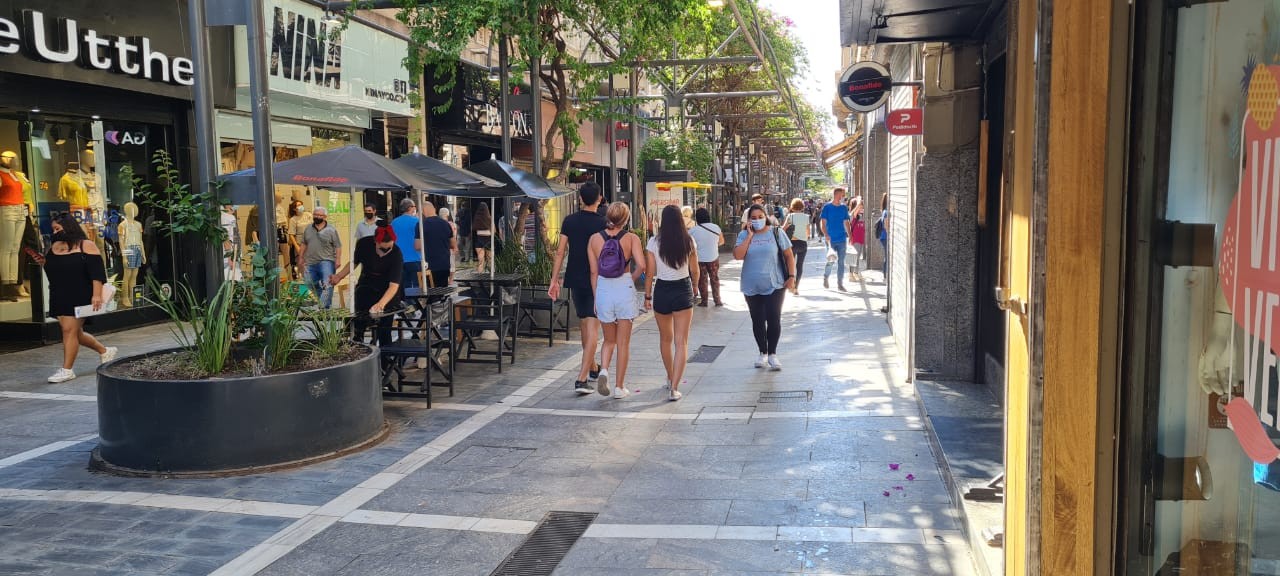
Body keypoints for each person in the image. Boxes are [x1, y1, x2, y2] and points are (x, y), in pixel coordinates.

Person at [549, 181, 607, 395]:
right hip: (597, 280)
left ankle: (592, 368)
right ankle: (581, 379)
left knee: (585, 324)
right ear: (599, 198)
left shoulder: (569, 221)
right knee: (593, 328)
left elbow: (560, 252)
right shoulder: (604, 223)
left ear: (580, 199)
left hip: (574, 278)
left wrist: (554, 279)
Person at [43, 214, 115, 383]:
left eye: (57, 228)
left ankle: (67, 370)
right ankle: (105, 351)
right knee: (76, 332)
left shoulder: (86, 245)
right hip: (59, 294)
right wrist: (44, 262)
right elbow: (54, 271)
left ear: (69, 227)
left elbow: (97, 273)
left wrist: (96, 295)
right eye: (53, 229)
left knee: (68, 331)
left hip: (81, 294)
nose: (55, 232)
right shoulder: (54, 247)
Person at [587, 202, 646, 399]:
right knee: (623, 342)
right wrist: (631, 278)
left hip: (603, 288)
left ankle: (603, 369)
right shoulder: (631, 238)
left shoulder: (594, 239)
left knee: (608, 339)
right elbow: (642, 265)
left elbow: (594, 272)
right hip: (624, 287)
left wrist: (597, 297)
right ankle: (620, 387)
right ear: (626, 219)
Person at [645, 205, 699, 401]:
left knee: (665, 339)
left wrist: (647, 296)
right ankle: (675, 387)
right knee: (681, 341)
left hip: (662, 290)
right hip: (682, 288)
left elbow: (650, 273)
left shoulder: (653, 242)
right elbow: (695, 269)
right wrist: (695, 286)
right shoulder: (689, 240)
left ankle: (669, 376)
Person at [734, 204, 795, 371]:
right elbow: (738, 256)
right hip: (751, 284)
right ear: (748, 220)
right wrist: (749, 236)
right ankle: (763, 352)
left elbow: (789, 255)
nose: (757, 220)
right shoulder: (743, 235)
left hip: (775, 283)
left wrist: (791, 276)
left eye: (760, 216)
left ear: (766, 216)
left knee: (773, 318)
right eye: (753, 218)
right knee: (757, 320)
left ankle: (773, 354)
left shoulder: (776, 232)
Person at [330, 222, 403, 346]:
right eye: (383, 248)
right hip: (366, 285)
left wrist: (381, 304)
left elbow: (394, 286)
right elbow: (353, 263)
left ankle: (386, 359)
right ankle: (358, 344)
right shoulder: (364, 244)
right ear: (375, 242)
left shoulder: (396, 254)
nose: (386, 251)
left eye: (389, 248)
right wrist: (339, 276)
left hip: (387, 290)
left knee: (384, 329)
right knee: (359, 319)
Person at [297, 205, 342, 308]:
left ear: (325, 217)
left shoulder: (331, 230)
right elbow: (304, 243)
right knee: (308, 283)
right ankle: (315, 300)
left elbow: (338, 246)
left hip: (326, 260)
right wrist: (300, 257)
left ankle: (324, 308)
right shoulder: (308, 228)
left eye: (319, 215)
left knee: (327, 284)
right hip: (310, 262)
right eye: (315, 214)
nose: (317, 217)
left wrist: (338, 259)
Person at [689, 207, 724, 307]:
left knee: (702, 280)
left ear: (697, 218)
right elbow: (721, 241)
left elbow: (690, 246)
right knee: (714, 278)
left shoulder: (692, 231)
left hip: (699, 259)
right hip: (713, 257)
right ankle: (717, 300)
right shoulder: (716, 227)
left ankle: (704, 301)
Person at [819, 187, 853, 291]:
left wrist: (850, 235)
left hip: (842, 238)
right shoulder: (827, 207)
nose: (844, 197)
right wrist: (825, 234)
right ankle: (826, 276)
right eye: (843, 194)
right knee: (831, 260)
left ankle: (840, 283)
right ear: (837, 195)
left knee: (841, 262)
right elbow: (823, 223)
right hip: (831, 239)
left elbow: (846, 222)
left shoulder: (843, 208)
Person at [421, 200, 455, 288]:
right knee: (443, 291)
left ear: (423, 211)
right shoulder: (446, 224)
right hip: (444, 263)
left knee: (431, 292)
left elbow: (417, 246)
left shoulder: (421, 225)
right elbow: (453, 244)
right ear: (434, 209)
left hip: (429, 264)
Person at [392, 198, 424, 289]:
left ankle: (407, 302)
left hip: (399, 259)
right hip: (415, 258)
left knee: (404, 286)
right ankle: (415, 303)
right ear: (410, 208)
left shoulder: (394, 222)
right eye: (414, 206)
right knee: (418, 287)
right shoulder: (417, 222)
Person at [782, 198, 811, 296]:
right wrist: (804, 236)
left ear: (793, 207)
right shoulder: (806, 217)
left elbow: (783, 228)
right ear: (802, 207)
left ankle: (791, 284)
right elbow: (808, 232)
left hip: (792, 243)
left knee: (791, 264)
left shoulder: (790, 216)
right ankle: (796, 287)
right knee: (800, 265)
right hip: (803, 244)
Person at [287, 200, 309, 280]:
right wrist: (296, 246)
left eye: (301, 204)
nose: (301, 206)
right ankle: (302, 282)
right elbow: (291, 235)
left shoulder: (308, 215)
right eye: (298, 205)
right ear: (294, 209)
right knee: (301, 264)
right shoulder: (293, 219)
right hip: (300, 243)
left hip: (310, 243)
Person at [473, 202, 493, 273]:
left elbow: (474, 229)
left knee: (481, 261)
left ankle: (479, 277)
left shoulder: (476, 218)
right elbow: (494, 231)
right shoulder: (489, 219)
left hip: (479, 240)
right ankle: (491, 276)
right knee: (490, 260)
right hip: (488, 240)